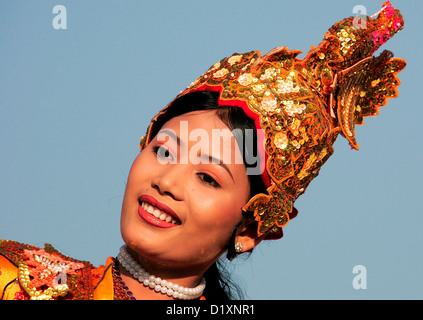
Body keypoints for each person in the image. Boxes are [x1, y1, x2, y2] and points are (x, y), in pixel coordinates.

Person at [0, 1, 406, 300]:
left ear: (250, 228)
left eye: (208, 177)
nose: (168, 181)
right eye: (163, 152)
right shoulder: (14, 281)